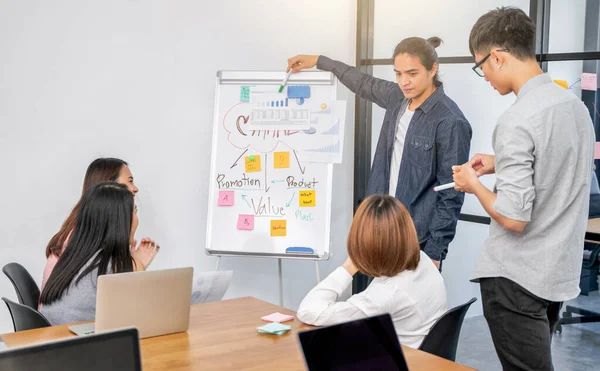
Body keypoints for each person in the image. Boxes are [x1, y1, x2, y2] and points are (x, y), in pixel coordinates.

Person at [452, 7, 594, 370]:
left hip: (515, 279)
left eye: (480, 65)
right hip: (554, 275)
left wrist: (473, 186)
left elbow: (514, 218)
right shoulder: (574, 107)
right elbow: (561, 165)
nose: (483, 75)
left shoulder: (517, 119)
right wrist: (500, 161)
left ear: (497, 56)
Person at [288, 37, 472, 268]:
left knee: (407, 305)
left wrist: (435, 251)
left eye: (412, 74)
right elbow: (363, 82)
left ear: (433, 69)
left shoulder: (450, 122)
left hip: (417, 242)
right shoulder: (398, 98)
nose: (404, 82)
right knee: (376, 303)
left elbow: (452, 193)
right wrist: (320, 61)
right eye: (398, 74)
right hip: (380, 230)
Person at [297, 194, 447, 348]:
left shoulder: (387, 294)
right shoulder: (423, 261)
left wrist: (348, 267)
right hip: (420, 357)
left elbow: (308, 311)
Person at [39, 182, 159, 325]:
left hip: (52, 336)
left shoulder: (76, 253)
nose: (136, 219)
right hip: (78, 342)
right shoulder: (108, 265)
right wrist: (137, 265)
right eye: (134, 211)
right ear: (120, 221)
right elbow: (137, 316)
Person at [41, 158, 139, 292]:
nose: (135, 188)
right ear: (110, 188)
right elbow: (122, 291)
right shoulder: (88, 239)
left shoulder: (83, 229)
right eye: (130, 181)